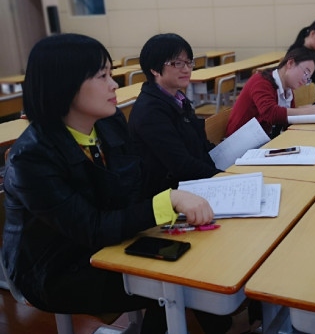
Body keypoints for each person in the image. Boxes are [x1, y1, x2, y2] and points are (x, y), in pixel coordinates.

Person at [1, 33, 215, 334]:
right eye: (102, 76)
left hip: (110, 239)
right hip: (55, 267)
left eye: (111, 74)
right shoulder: (31, 157)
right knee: (171, 281)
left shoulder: (109, 122)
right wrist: (168, 201)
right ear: (65, 84)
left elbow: (134, 184)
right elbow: (91, 228)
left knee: (191, 256)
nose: (114, 85)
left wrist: (174, 209)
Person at [128, 33, 221, 199]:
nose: (186, 69)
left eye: (189, 62)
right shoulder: (150, 111)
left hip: (192, 183)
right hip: (170, 196)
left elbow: (199, 145)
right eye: (177, 63)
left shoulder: (178, 98)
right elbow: (181, 165)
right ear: (154, 69)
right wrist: (225, 177)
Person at [226, 47, 315, 138]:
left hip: (262, 141)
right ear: (290, 63)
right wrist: (308, 111)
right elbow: (271, 114)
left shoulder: (288, 89)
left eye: (308, 78)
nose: (305, 81)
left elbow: (286, 121)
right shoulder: (261, 81)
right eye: (305, 73)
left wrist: (308, 108)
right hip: (239, 143)